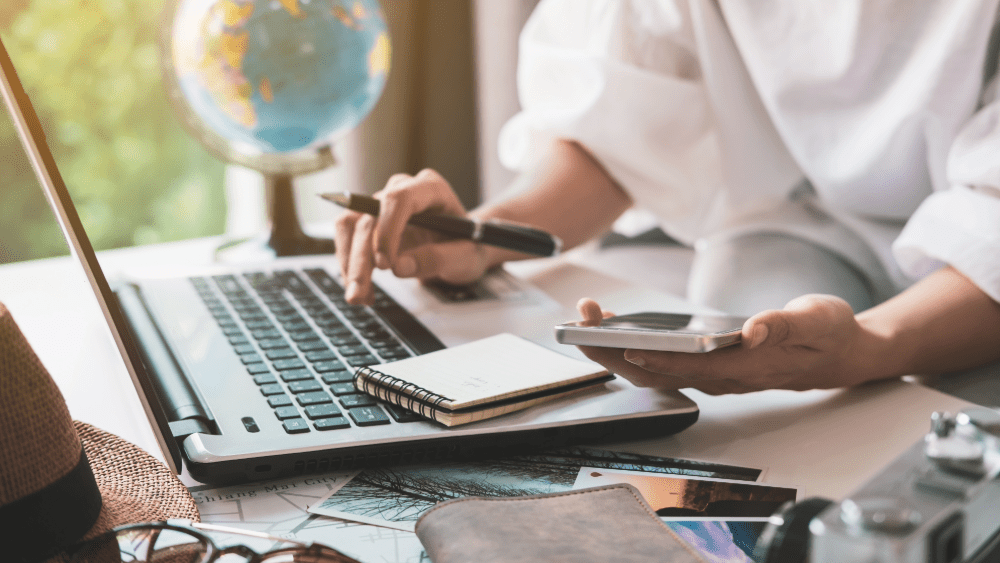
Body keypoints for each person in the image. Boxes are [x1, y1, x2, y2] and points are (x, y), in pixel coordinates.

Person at [334, 0, 1000, 395]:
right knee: (752, 379)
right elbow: (618, 128)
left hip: (980, 264)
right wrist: (484, 232)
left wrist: (871, 348)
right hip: (801, 224)